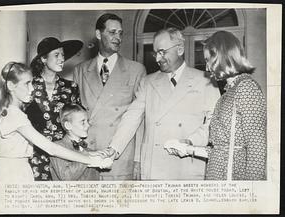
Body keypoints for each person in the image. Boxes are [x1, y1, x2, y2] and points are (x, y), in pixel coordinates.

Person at [103, 27, 220, 180]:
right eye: (155, 53)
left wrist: (191, 141)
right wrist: (114, 148)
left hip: (188, 164)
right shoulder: (148, 82)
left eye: (162, 52)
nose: (158, 59)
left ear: (179, 49)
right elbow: (131, 118)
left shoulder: (205, 80)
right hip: (155, 166)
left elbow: (215, 123)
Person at [165, 31, 267, 180]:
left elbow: (257, 147)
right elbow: (220, 150)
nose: (206, 68)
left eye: (208, 60)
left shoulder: (246, 87)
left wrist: (250, 190)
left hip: (234, 181)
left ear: (222, 56)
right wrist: (188, 149)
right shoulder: (226, 94)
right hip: (217, 176)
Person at [0, 62, 112, 182]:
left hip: (17, 170)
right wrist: (91, 160)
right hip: (13, 173)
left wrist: (91, 154)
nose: (32, 88)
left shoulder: (11, 111)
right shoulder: (15, 115)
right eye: (27, 84)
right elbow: (52, 149)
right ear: (10, 86)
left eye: (32, 83)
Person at [73, 13, 146, 180]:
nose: (118, 38)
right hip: (88, 153)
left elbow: (140, 119)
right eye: (112, 32)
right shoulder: (80, 70)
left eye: (120, 33)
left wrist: (137, 160)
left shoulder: (136, 70)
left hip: (120, 155)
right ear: (99, 34)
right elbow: (74, 114)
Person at [25, 37, 84, 181]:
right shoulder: (28, 86)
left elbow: (77, 121)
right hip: (35, 154)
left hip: (64, 154)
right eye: (56, 55)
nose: (62, 59)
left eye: (63, 55)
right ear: (44, 59)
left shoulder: (71, 87)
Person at [49, 104, 99, 180]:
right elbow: (66, 177)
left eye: (87, 121)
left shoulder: (88, 149)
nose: (88, 125)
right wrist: (87, 156)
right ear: (68, 125)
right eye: (83, 122)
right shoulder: (58, 148)